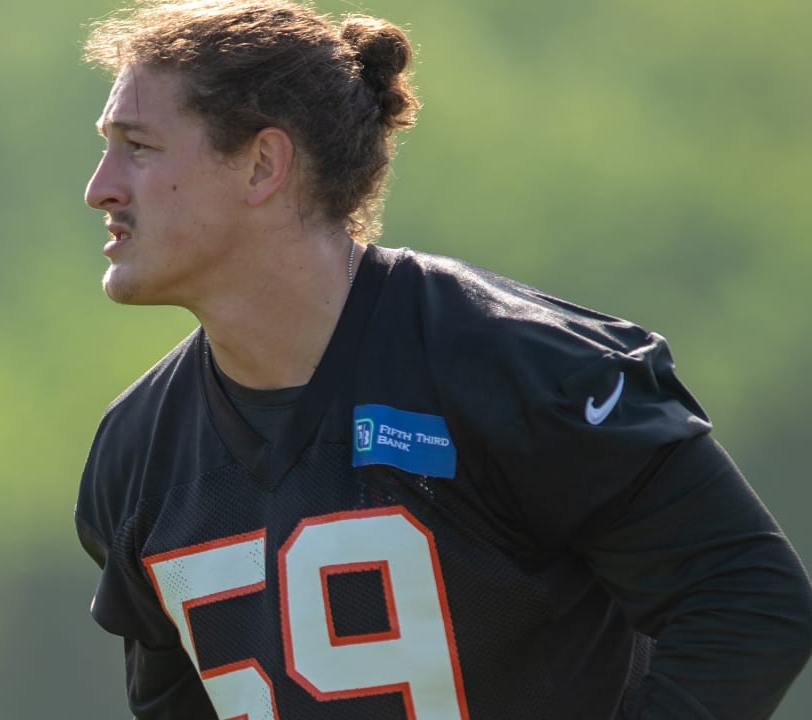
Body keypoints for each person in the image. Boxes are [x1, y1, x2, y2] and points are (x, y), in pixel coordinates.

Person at [73, 1, 812, 717]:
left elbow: (748, 599)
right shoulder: (137, 454)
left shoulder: (513, 365)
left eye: (137, 147)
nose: (99, 188)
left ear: (263, 165)